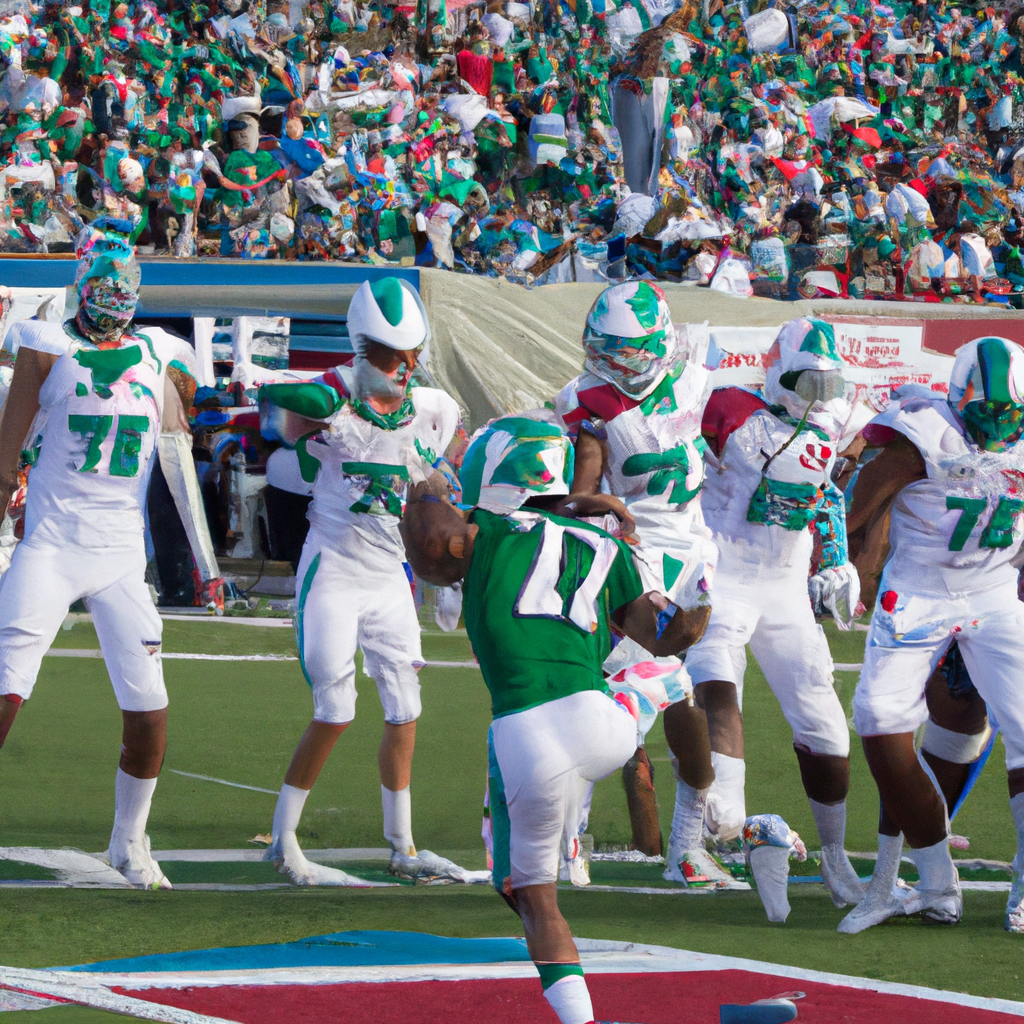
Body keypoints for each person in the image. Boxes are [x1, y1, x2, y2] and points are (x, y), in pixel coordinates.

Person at [400, 415, 708, 1024]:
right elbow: (670, 634)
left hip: (526, 737)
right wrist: (654, 560)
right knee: (667, 676)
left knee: (532, 899)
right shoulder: (607, 543)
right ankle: (700, 816)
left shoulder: (482, 527)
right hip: (604, 723)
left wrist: (427, 491)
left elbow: (434, 549)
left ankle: (580, 1018)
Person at [0, 231, 200, 889]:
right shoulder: (46, 345)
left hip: (119, 556)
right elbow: (6, 460)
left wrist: (206, 560)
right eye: (104, 287)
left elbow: (178, 445)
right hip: (51, 547)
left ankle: (129, 841)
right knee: (6, 688)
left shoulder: (159, 349)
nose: (115, 299)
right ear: (81, 288)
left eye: (125, 288)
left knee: (150, 709)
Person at [261, 276, 473, 885]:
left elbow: (433, 478)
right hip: (333, 569)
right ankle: (284, 839)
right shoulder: (332, 394)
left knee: (406, 708)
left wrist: (441, 517)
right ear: (360, 345)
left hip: (388, 577)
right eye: (390, 353)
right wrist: (267, 390)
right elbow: (285, 421)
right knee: (335, 708)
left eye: (411, 354)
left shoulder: (431, 410)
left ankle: (403, 847)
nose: (405, 366)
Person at [839, 336, 1024, 933]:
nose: (999, 426)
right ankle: (937, 882)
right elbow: (856, 503)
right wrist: (836, 562)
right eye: (987, 412)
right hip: (918, 588)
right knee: (877, 719)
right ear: (957, 395)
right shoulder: (922, 428)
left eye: (1011, 415)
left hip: (996, 588)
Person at [682, 317, 865, 909]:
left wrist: (836, 557)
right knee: (718, 689)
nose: (819, 398)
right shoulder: (730, 408)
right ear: (778, 375)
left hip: (786, 584)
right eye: (806, 383)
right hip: (725, 571)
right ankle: (733, 823)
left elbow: (827, 491)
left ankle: (835, 861)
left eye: (827, 386)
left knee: (826, 725)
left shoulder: (831, 421)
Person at [553, 280, 725, 885]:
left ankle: (689, 842)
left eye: (628, 350)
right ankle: (581, 835)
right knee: (648, 691)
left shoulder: (703, 380)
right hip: (634, 553)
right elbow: (579, 493)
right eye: (608, 349)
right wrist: (603, 510)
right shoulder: (587, 400)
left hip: (699, 552)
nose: (616, 362)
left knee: (678, 701)